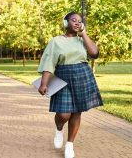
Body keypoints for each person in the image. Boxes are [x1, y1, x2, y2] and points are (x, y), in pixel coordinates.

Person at [37, 12, 103, 158]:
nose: (77, 23)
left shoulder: (82, 41)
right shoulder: (56, 41)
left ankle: (69, 145)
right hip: (63, 78)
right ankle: (59, 128)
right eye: (74, 20)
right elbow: (49, 62)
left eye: (80, 21)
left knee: (77, 112)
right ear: (66, 23)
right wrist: (44, 83)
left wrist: (84, 33)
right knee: (63, 113)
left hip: (82, 76)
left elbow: (94, 54)